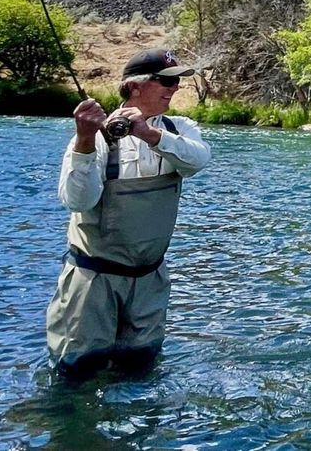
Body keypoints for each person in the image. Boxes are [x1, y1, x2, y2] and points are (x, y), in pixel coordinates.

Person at [44, 49, 212, 378]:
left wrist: (149, 135)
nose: (175, 87)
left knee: (140, 369)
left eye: (177, 81)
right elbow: (78, 200)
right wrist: (84, 140)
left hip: (150, 280)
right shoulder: (97, 137)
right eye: (166, 80)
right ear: (135, 86)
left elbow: (197, 161)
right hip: (93, 281)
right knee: (77, 374)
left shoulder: (180, 129)